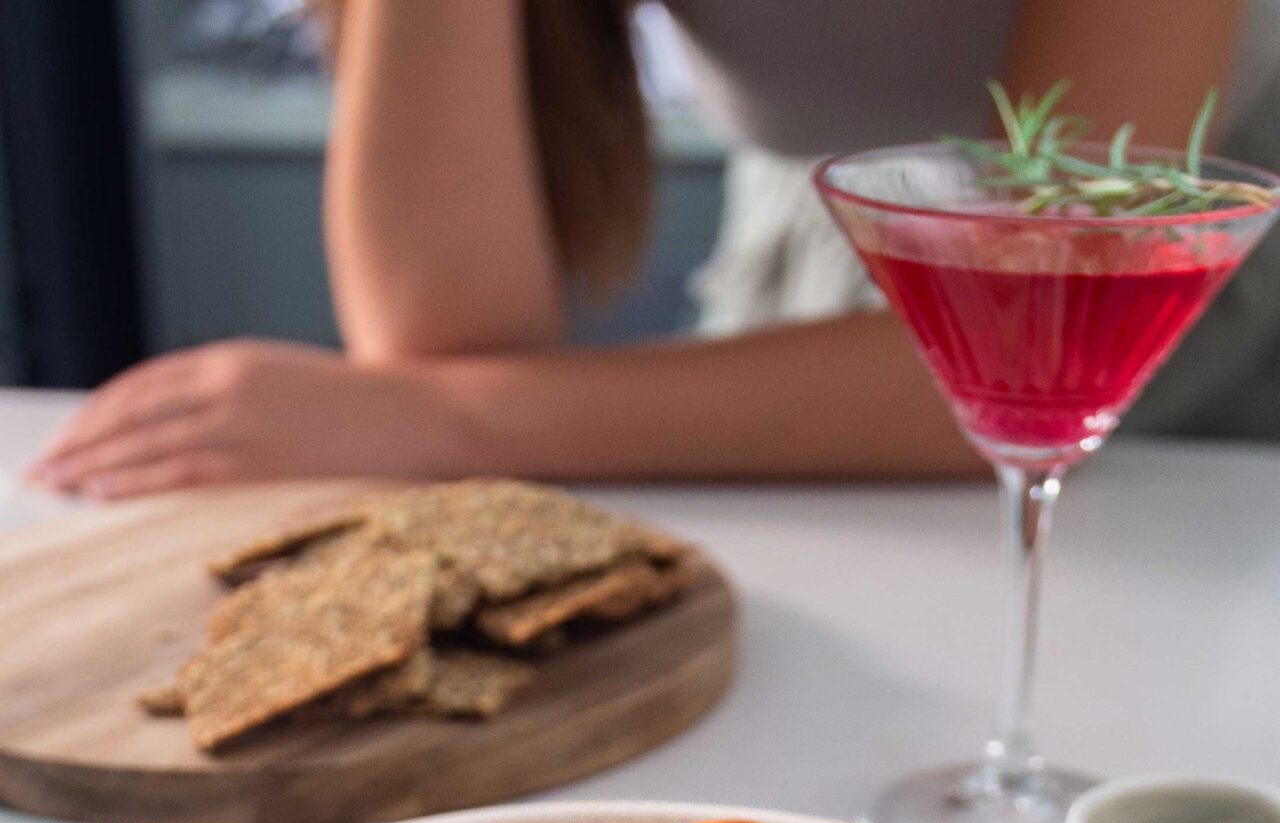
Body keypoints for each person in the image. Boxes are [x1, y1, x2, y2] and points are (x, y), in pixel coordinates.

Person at [26, 0, 1275, 499]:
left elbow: (1031, 341)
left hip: (1193, 283)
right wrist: (431, 403)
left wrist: (432, 420)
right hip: (828, 253)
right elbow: (441, 340)